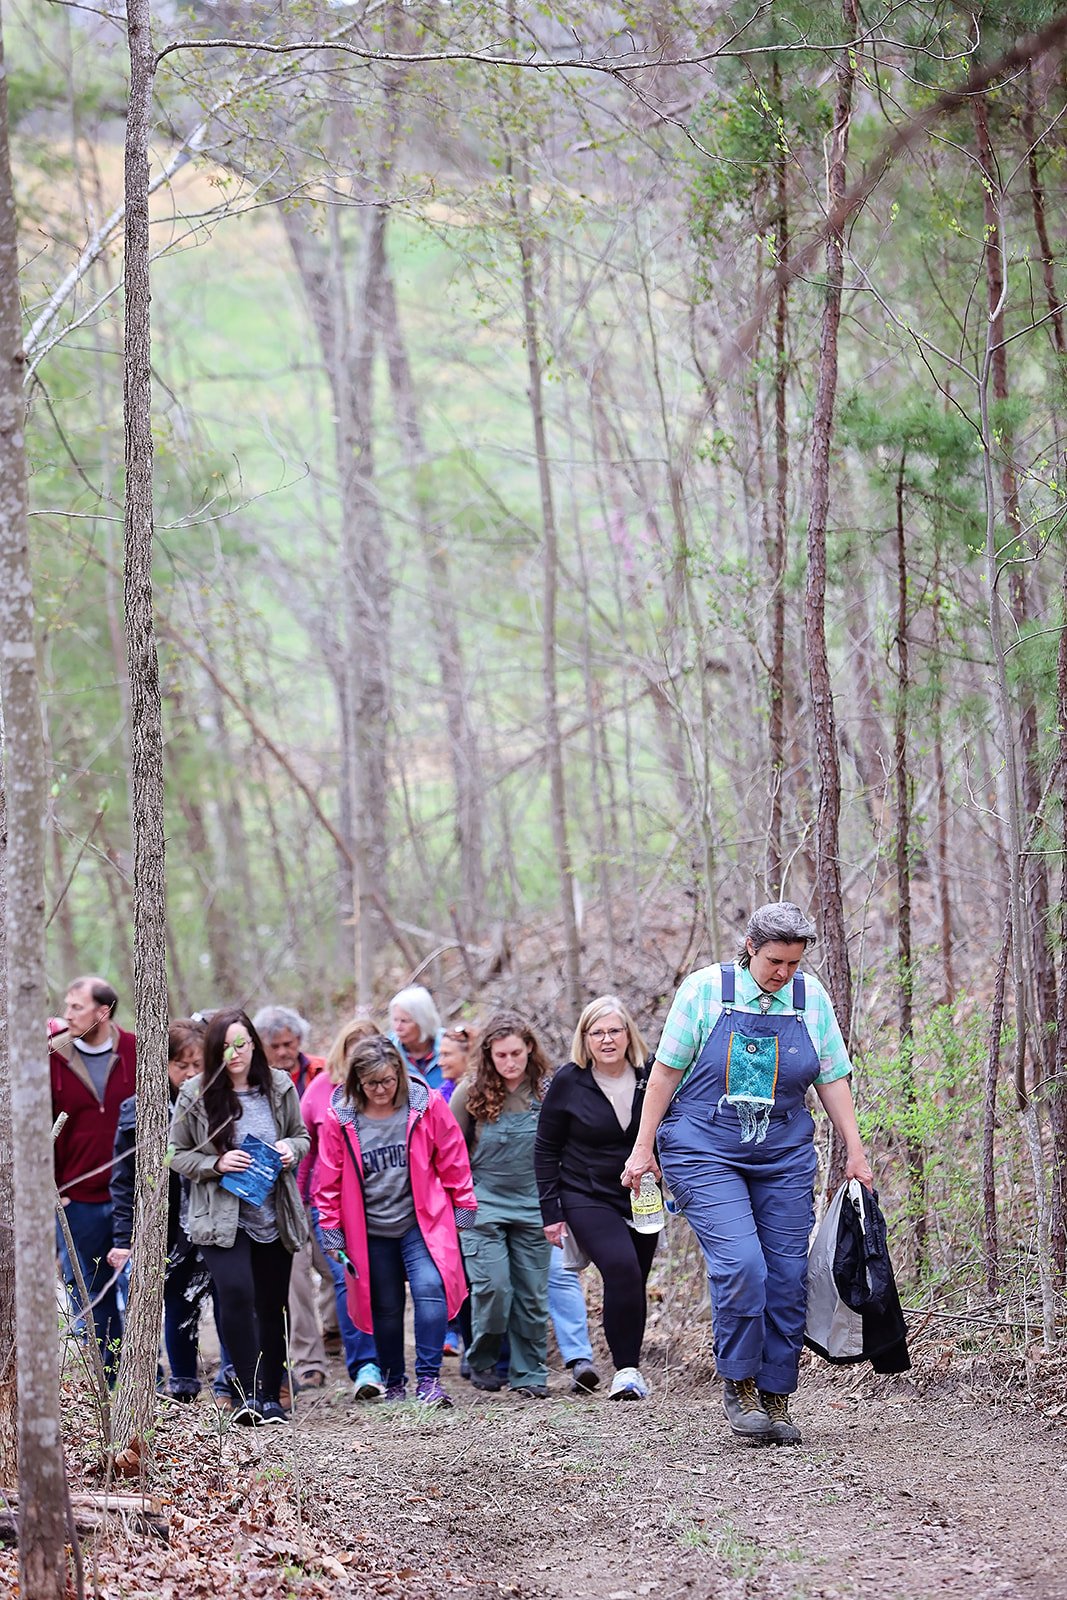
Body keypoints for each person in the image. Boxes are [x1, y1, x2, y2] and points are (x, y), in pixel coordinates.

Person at [622, 901, 874, 1447]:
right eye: (774, 962)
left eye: (793, 963)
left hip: (782, 1151)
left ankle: (776, 1393)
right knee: (742, 1264)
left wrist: (855, 1150)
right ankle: (737, 1382)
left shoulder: (809, 1000)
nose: (783, 973)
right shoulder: (705, 991)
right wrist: (643, 1150)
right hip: (703, 1144)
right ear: (750, 949)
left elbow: (832, 1078)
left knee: (787, 1275)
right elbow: (664, 1074)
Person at [313, 1035, 476, 1407]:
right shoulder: (341, 1116)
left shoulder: (425, 1105)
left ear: (399, 1076)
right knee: (384, 1305)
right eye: (372, 1083)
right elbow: (329, 1181)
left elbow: (453, 1155)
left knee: (431, 1288)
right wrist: (332, 1232)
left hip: (422, 1221)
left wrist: (463, 1205)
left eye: (388, 1081)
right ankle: (395, 1382)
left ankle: (429, 1380)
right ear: (357, 1082)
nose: (381, 1090)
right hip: (368, 1228)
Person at [169, 1008, 310, 1425]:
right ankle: (244, 1394)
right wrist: (216, 1163)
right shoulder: (196, 1093)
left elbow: (302, 1137)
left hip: (273, 1214)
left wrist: (290, 1149)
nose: (235, 1054)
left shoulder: (279, 1087)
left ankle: (270, 1396)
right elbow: (173, 1154)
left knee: (271, 1304)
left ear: (253, 1045)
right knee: (236, 1293)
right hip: (220, 1218)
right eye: (225, 1046)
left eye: (242, 1044)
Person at [535, 996, 655, 1401]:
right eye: (597, 1032)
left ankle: (631, 1367)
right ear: (585, 1039)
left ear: (628, 1035)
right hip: (584, 1193)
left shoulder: (651, 1073)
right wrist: (551, 1212)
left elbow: (672, 1126)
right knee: (620, 1268)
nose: (607, 1039)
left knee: (635, 1277)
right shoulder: (569, 1080)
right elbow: (545, 1149)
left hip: (640, 1194)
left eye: (614, 1031)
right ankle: (625, 1371)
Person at [449, 1012, 553, 1399]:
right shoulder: (469, 1094)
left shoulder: (546, 1091)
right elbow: (448, 1153)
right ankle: (483, 1359)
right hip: (483, 1205)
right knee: (493, 1288)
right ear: (488, 1056)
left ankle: (530, 1374)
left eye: (516, 1054)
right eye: (500, 1056)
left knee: (531, 1296)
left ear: (529, 1048)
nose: (509, 1063)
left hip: (534, 1204)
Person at [109, 1019, 209, 1400]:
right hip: (163, 1224)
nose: (189, 1074)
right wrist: (124, 1237)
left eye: (197, 1064)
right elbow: (123, 1181)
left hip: (213, 1217)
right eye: (181, 1065)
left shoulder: (219, 1102)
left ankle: (236, 1380)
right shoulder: (139, 1110)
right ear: (163, 1065)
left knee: (229, 1296)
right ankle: (180, 1382)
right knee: (175, 1299)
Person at [50, 975, 138, 1382]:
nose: (66, 1015)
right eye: (67, 1006)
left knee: (138, 1288)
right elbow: (37, 1129)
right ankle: (113, 1378)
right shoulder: (54, 1057)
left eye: (77, 1007)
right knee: (93, 1291)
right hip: (77, 1198)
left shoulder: (137, 1051)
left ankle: (146, 1374)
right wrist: (56, 1191)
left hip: (134, 1195)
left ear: (103, 1012)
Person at [299, 1016, 385, 1399]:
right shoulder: (320, 1090)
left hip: (382, 1203)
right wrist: (299, 1202)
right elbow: (304, 1151)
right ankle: (364, 1364)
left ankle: (387, 1361)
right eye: (355, 1052)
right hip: (328, 1203)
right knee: (348, 1278)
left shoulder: (389, 1092)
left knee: (379, 1281)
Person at [253, 1004, 329, 1392]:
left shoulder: (321, 1071)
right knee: (296, 1281)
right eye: (276, 1045)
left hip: (323, 1192)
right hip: (280, 1195)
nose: (285, 1051)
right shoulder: (254, 1082)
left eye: (291, 1042)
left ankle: (334, 1334)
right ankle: (309, 1361)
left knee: (337, 1269)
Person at [389, 984, 443, 1088]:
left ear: (423, 1021)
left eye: (404, 1021)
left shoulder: (449, 1044)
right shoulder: (387, 1050)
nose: (398, 1027)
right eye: (395, 1020)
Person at [438, 1026, 472, 1105]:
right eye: (440, 1055)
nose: (440, 1063)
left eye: (446, 1055)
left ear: (468, 1055)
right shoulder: (441, 1097)